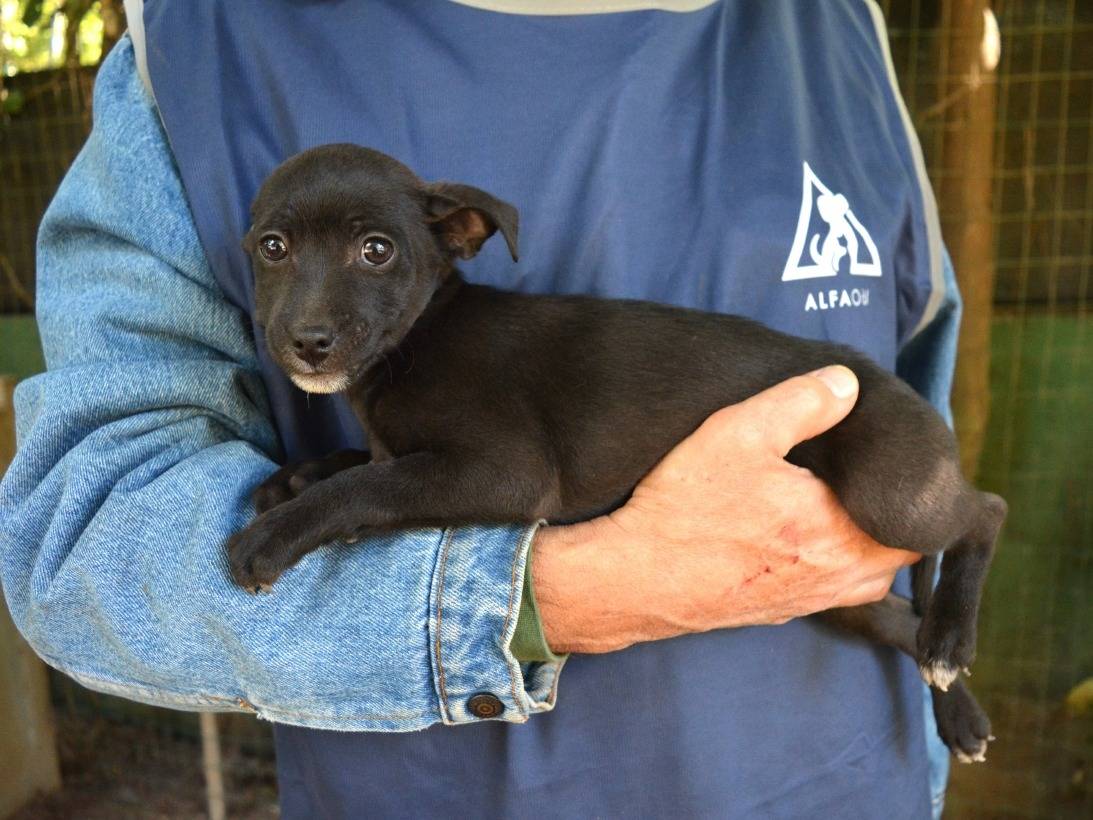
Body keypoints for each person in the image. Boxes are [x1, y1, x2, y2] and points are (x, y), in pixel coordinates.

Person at [0, 1, 963, 817]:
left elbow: (923, 437)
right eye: (279, 252)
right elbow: (80, 541)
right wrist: (559, 592)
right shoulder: (202, 42)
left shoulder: (834, 28)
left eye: (373, 252)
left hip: (833, 783)